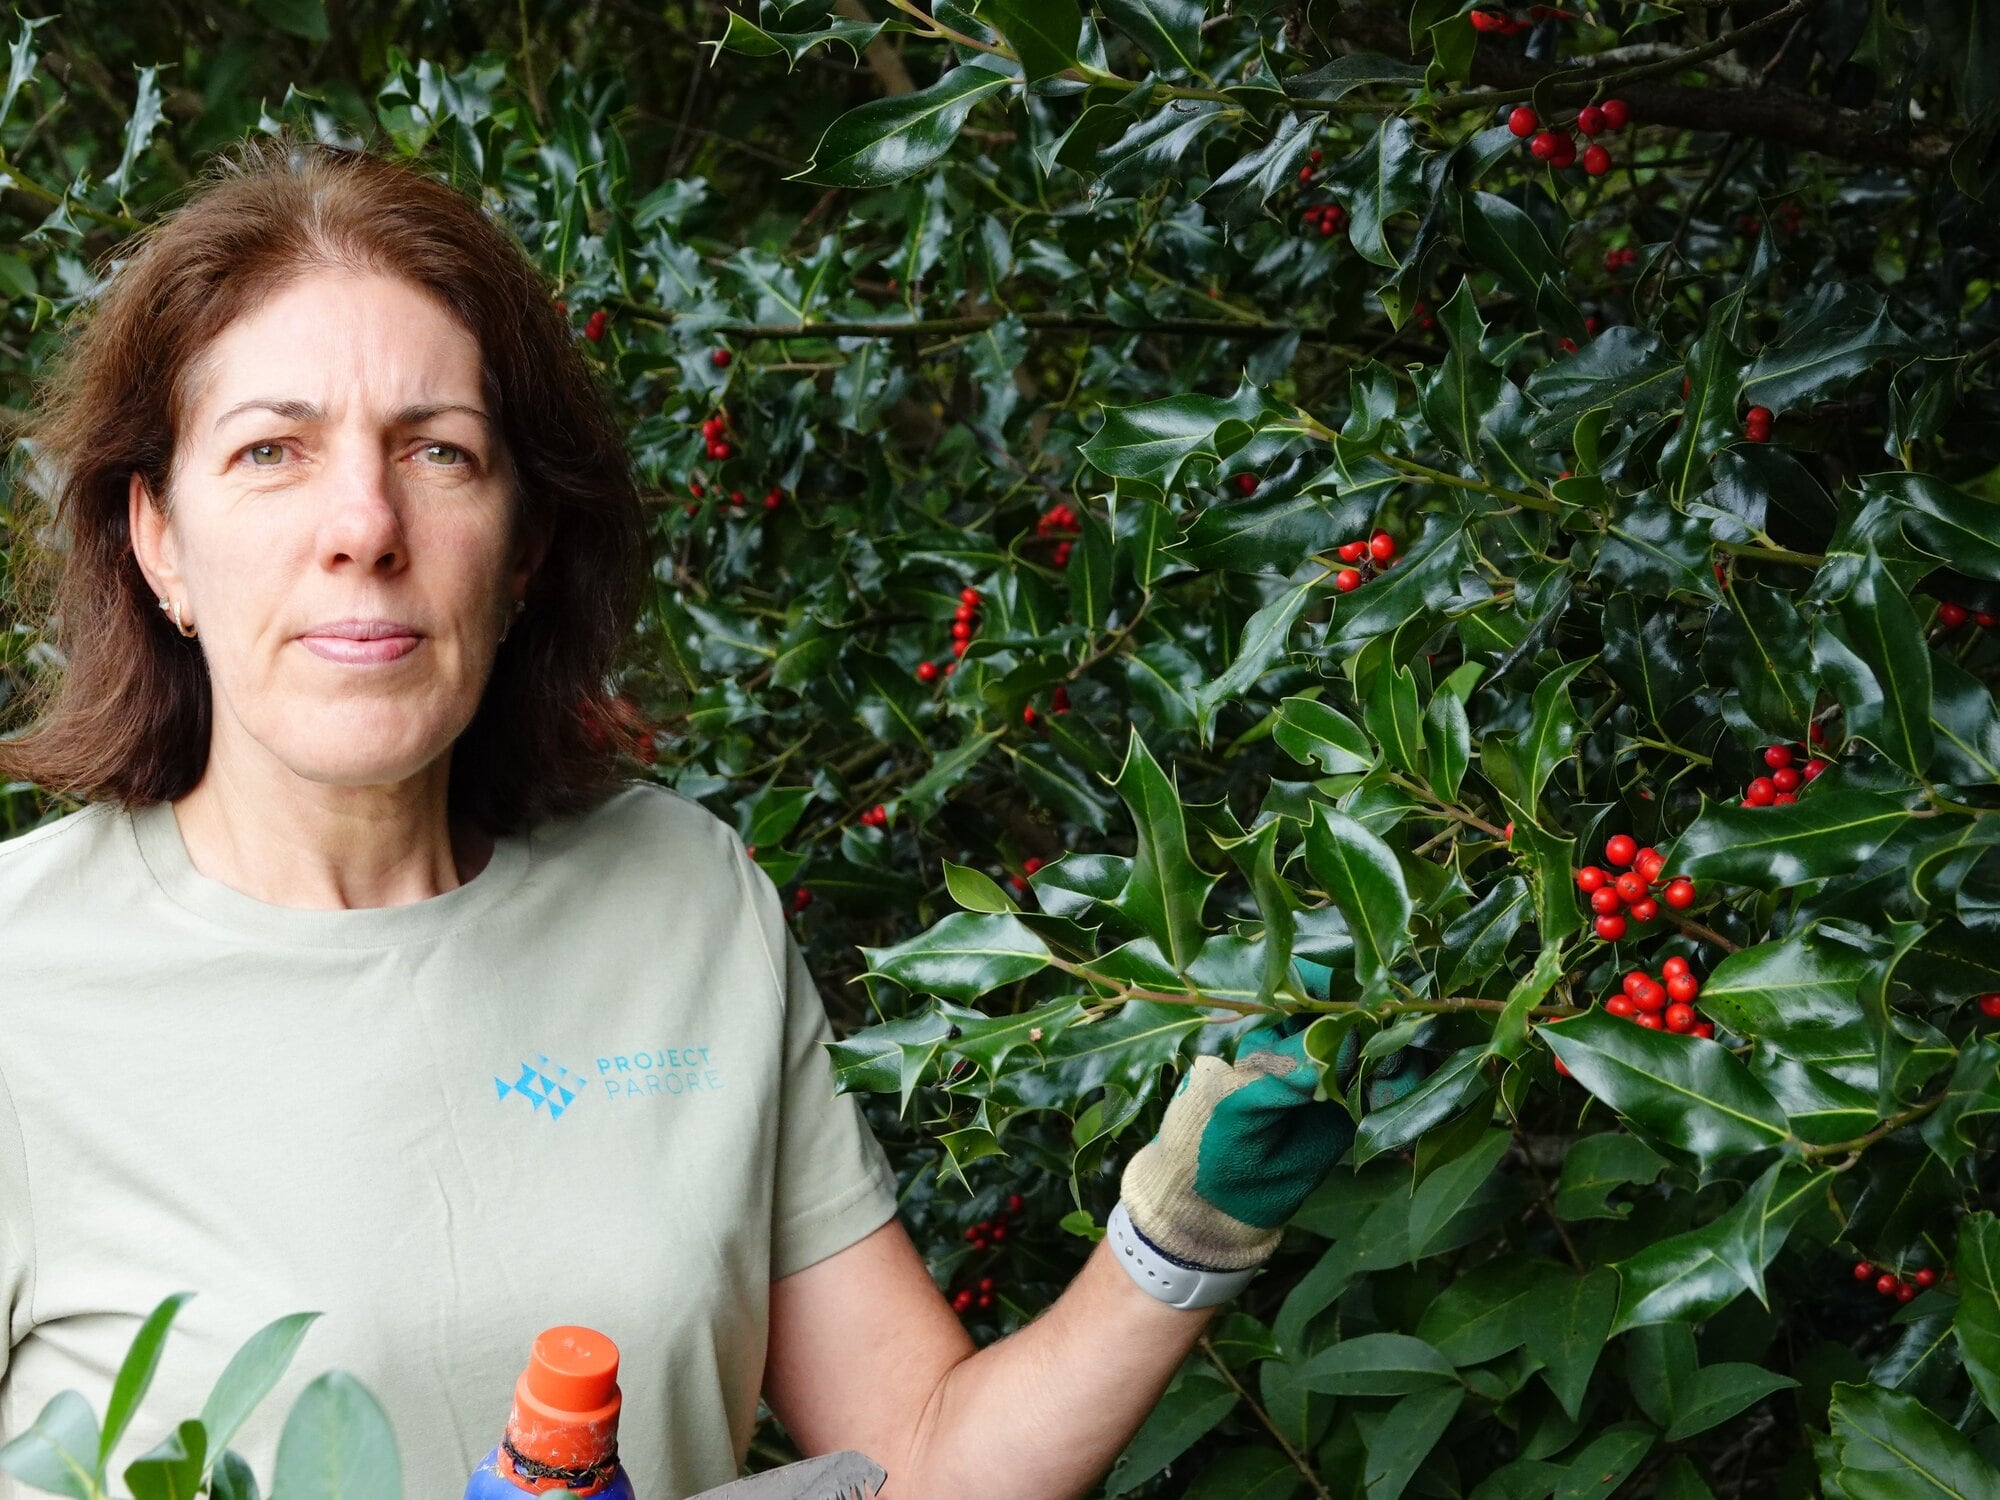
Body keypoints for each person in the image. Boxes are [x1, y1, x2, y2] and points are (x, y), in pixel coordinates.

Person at [0, 134, 1399, 1500]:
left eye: (439, 451)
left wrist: (1185, 1231)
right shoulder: (22, 979)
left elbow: (919, 1462)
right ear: (157, 539)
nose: (364, 524)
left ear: (525, 549)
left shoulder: (680, 896)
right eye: (271, 452)